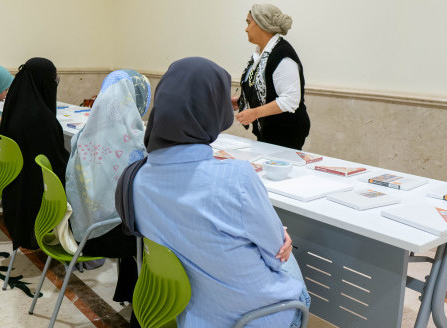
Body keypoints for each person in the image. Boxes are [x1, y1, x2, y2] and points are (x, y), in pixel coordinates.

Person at [117, 57, 310, 328]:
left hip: (181, 314)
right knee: (288, 257)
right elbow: (276, 256)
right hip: (252, 317)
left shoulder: (135, 178)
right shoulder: (237, 178)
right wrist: (279, 234)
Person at [65, 69, 151, 325]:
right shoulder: (135, 143)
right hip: (104, 234)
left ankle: (128, 289)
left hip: (81, 226)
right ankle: (144, 304)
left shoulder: (84, 134)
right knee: (150, 230)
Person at [0, 58, 70, 251]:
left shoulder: (14, 108)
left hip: (14, 195)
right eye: (54, 79)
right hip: (37, 197)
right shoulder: (42, 120)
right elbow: (58, 164)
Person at [232, 4, 310, 150]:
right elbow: (257, 86)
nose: (246, 29)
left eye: (249, 23)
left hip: (286, 134)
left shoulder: (282, 55)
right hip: (267, 132)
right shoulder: (259, 54)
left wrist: (255, 112)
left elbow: (290, 99)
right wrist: (241, 100)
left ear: (261, 24)